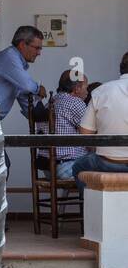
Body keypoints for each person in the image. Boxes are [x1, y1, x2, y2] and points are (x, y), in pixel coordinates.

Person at [72, 51, 128, 191]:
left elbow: (85, 134)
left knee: (78, 167)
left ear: (121, 68)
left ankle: (90, 209)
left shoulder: (101, 91)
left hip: (107, 162)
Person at [0, 25, 45, 120]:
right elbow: (27, 86)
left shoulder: (16, 64)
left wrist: (40, 115)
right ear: (22, 45)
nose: (39, 53)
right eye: (37, 48)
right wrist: (38, 89)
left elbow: (23, 95)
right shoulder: (10, 57)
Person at [50, 68, 89, 180]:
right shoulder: (75, 102)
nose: (87, 92)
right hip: (67, 168)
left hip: (48, 168)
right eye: (86, 87)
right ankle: (86, 197)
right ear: (77, 89)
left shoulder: (51, 101)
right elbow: (91, 134)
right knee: (105, 163)